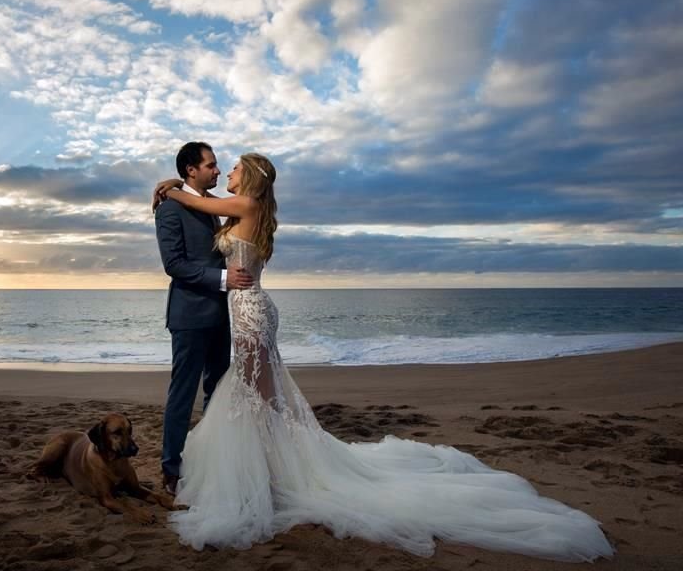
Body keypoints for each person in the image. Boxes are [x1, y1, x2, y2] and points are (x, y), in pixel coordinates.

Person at [151, 152, 614, 561]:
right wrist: (177, 189)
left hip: (249, 311)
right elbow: (192, 233)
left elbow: (196, 202)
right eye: (216, 165)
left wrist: (171, 187)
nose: (224, 170)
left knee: (251, 395)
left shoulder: (243, 205)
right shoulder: (244, 210)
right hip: (244, 310)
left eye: (230, 166)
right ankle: (277, 464)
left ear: (248, 177)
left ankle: (271, 471)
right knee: (255, 396)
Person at [153, 141, 253, 497]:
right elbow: (174, 265)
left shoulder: (214, 208)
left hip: (221, 316)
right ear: (191, 170)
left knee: (217, 391)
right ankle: (171, 468)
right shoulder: (169, 211)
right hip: (189, 316)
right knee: (183, 394)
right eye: (210, 165)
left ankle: (210, 460)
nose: (216, 170)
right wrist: (225, 279)